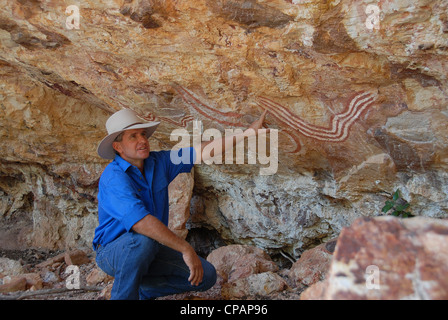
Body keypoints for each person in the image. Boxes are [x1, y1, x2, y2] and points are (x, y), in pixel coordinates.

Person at [93, 108, 268, 300]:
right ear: (118, 147)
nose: (142, 140)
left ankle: (141, 290)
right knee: (141, 241)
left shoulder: (159, 162)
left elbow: (199, 152)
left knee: (205, 276)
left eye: (143, 134)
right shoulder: (113, 177)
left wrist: (247, 133)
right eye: (132, 137)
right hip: (112, 252)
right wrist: (185, 248)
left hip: (148, 248)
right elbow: (140, 222)